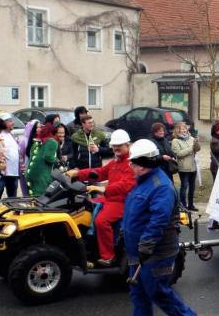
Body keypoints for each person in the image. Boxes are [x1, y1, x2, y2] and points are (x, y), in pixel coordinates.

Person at [123, 139, 196, 316]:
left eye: (133, 161)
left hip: (155, 253)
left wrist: (146, 245)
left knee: (158, 293)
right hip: (138, 252)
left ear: (143, 164)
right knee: (138, 294)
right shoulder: (142, 180)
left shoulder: (161, 187)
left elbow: (158, 220)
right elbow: (137, 212)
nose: (130, 164)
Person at [66, 129, 135, 266]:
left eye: (119, 145)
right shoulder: (116, 162)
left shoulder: (131, 163)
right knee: (84, 207)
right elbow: (99, 173)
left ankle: (108, 256)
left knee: (101, 222)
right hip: (110, 197)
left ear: (127, 145)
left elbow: (126, 185)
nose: (115, 148)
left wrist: (103, 189)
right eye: (114, 145)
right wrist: (77, 174)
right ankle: (89, 246)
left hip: (122, 201)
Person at [25, 123, 61, 196]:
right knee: (41, 198)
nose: (61, 135)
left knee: (32, 197)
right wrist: (58, 161)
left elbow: (31, 153)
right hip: (42, 175)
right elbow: (48, 157)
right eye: (59, 133)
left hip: (31, 173)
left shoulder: (37, 142)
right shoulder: (52, 141)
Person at [171, 122, 199, 211]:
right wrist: (191, 148)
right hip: (184, 168)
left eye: (185, 129)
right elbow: (179, 154)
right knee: (184, 186)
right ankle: (183, 205)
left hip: (193, 166)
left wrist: (197, 143)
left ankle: (191, 204)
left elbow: (197, 149)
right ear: (177, 130)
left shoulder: (191, 138)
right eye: (182, 129)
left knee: (192, 187)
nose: (184, 130)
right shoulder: (175, 141)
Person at [0, 114, 20, 199]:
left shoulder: (12, 135)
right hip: (3, 174)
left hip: (13, 173)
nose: (13, 123)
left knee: (13, 199)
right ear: (3, 123)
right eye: (10, 121)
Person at [18, 119, 39, 197]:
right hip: (26, 169)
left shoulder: (40, 140)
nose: (39, 129)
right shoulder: (24, 141)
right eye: (36, 127)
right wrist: (23, 168)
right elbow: (21, 156)